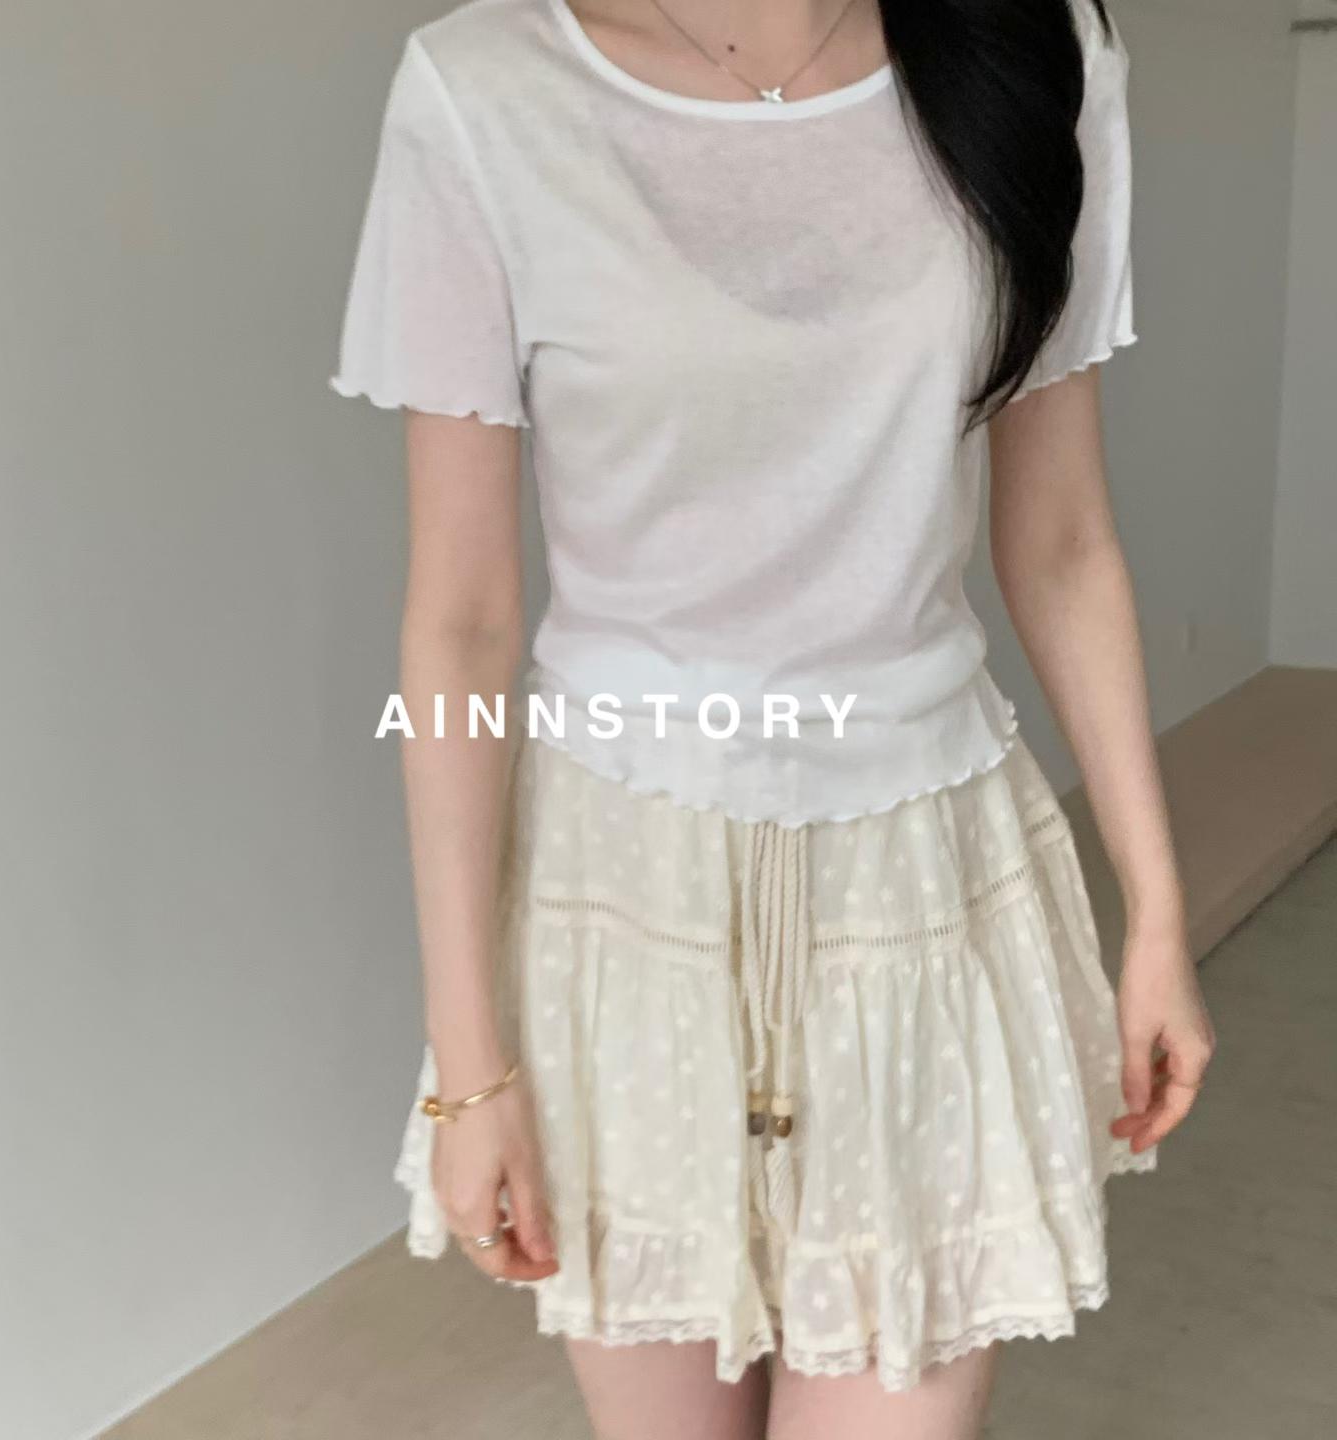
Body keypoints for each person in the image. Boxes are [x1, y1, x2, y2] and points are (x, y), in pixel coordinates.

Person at [330, 1, 1217, 1435]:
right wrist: (470, 1065)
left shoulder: (1031, 51)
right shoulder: (485, 90)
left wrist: (1157, 908)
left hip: (920, 887)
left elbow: (1060, 540)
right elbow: (462, 623)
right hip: (625, 904)